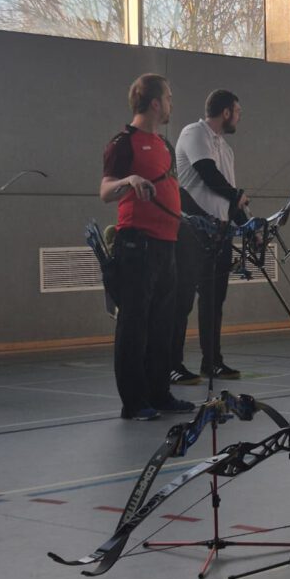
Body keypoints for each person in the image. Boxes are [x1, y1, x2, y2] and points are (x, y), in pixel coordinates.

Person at [100, 73, 196, 421]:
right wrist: (129, 180)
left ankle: (159, 393)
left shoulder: (164, 145)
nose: (171, 104)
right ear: (155, 103)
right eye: (168, 98)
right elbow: (106, 191)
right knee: (134, 325)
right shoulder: (123, 143)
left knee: (162, 325)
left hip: (167, 245)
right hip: (136, 246)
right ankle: (134, 401)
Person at [170, 89, 248, 385]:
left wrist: (248, 227)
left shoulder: (226, 149)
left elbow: (230, 197)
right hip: (192, 230)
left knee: (214, 300)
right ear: (226, 112)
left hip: (220, 233)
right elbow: (207, 173)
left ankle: (212, 362)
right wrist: (236, 195)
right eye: (237, 112)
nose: (239, 117)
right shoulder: (194, 132)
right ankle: (172, 365)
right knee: (183, 300)